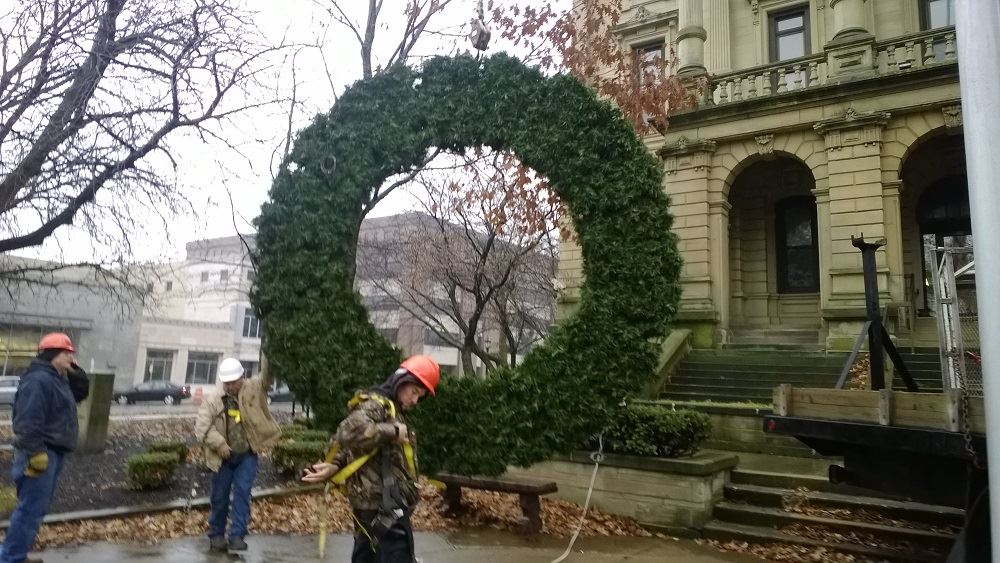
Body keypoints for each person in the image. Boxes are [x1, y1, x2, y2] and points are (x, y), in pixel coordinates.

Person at [303, 355, 440, 563]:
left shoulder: (390, 407)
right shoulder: (377, 405)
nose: (415, 400)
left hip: (374, 504)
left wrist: (336, 465)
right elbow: (349, 432)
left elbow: (353, 446)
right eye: (414, 392)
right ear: (401, 380)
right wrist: (393, 431)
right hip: (384, 505)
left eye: (419, 396)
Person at [1, 333, 86, 563]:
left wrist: (77, 375)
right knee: (30, 510)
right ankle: (10, 559)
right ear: (52, 355)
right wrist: (36, 453)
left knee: (33, 510)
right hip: (39, 452)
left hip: (51, 452)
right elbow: (27, 421)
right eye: (67, 353)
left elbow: (79, 395)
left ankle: (15, 555)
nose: (71, 358)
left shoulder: (56, 378)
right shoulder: (39, 380)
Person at [194, 357, 281, 553]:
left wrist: (271, 352)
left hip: (247, 455)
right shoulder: (213, 400)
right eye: (227, 383)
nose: (230, 386)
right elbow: (201, 429)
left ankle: (237, 536)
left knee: (243, 493)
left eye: (234, 382)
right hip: (222, 457)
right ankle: (216, 535)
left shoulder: (253, 389)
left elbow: (267, 377)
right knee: (220, 496)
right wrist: (220, 445)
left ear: (242, 377)